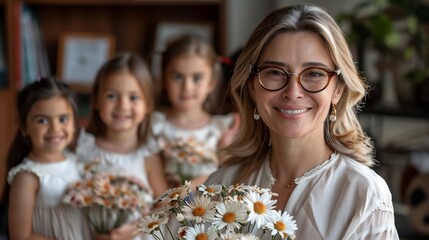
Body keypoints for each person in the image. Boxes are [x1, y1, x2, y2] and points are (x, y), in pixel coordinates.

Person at [204, 5, 400, 239]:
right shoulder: (222, 184)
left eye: (314, 73)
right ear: (251, 86)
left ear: (337, 90)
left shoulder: (364, 193)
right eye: (275, 72)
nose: (293, 92)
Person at [76, 52, 168, 240]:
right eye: (111, 96)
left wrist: (136, 228)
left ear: (148, 104)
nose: (123, 106)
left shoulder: (148, 154)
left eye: (134, 97)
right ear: (95, 101)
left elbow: (165, 206)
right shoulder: (83, 148)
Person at [5, 77, 91, 239]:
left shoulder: (76, 161)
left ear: (74, 124)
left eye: (63, 119)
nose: (55, 128)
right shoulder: (27, 177)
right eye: (42, 120)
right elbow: (21, 236)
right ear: (24, 128)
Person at [152, 35, 240, 191]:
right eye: (177, 77)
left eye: (197, 77)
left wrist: (226, 151)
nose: (187, 87)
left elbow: (229, 179)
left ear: (211, 82)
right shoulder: (155, 125)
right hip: (164, 210)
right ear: (164, 80)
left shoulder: (221, 129)